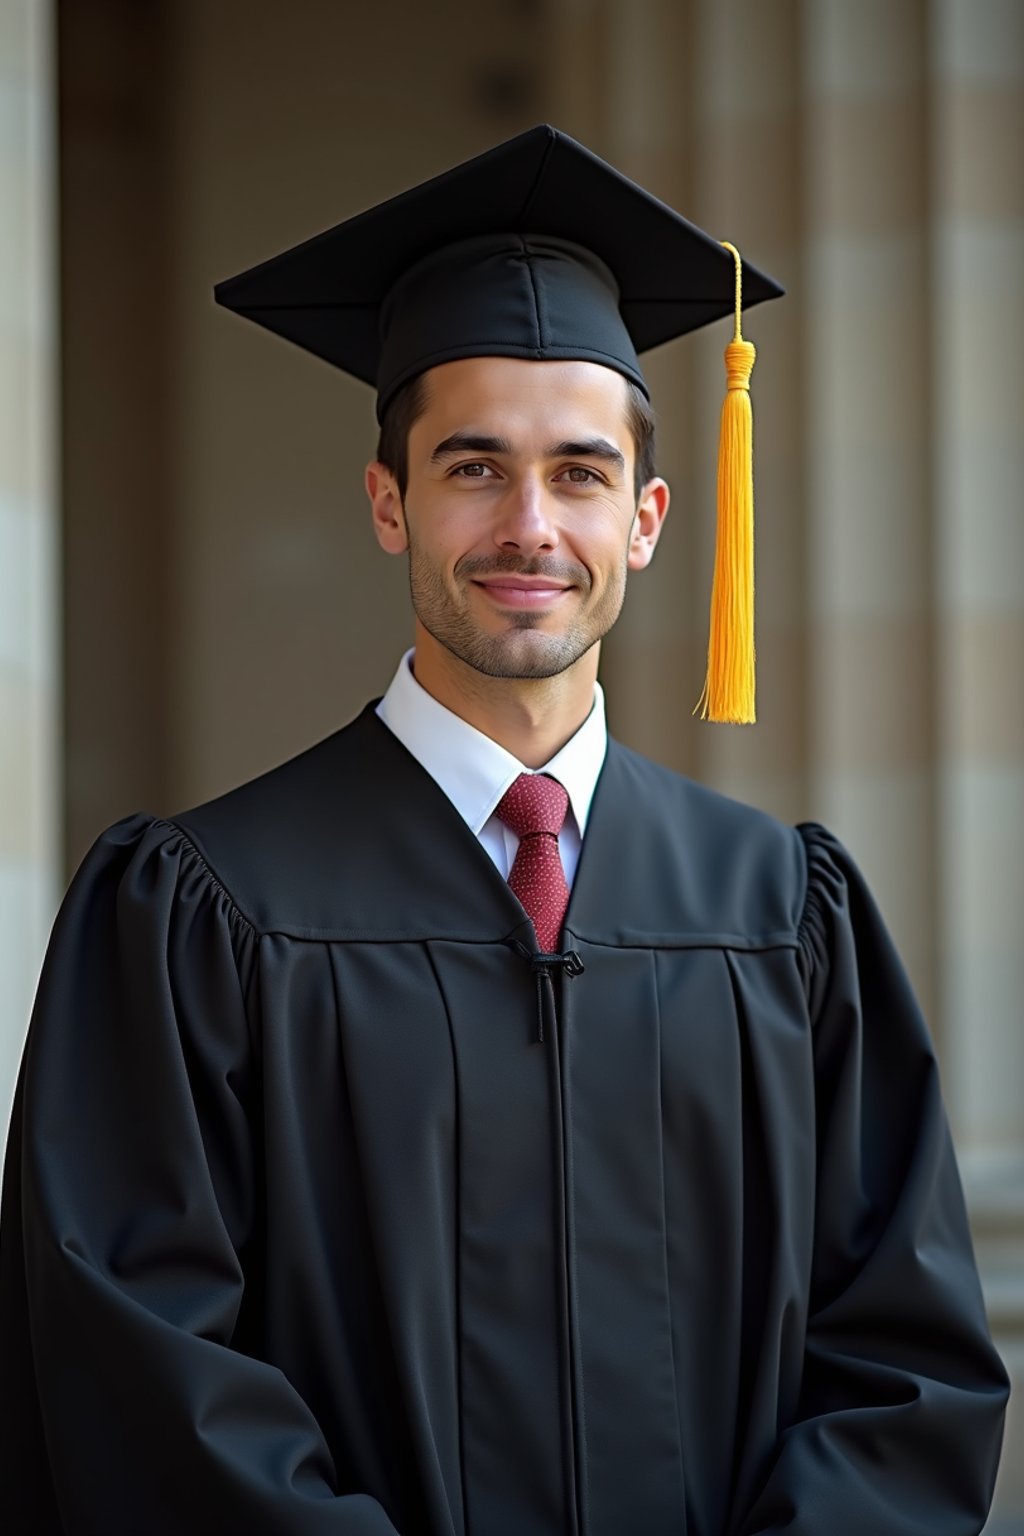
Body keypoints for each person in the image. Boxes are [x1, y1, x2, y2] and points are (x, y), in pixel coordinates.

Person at [0, 124, 1008, 1536]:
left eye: (581, 473)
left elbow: (903, 1363)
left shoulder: (784, 917)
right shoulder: (199, 914)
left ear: (650, 520)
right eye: (473, 467)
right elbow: (142, 1373)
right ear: (387, 502)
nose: (530, 524)